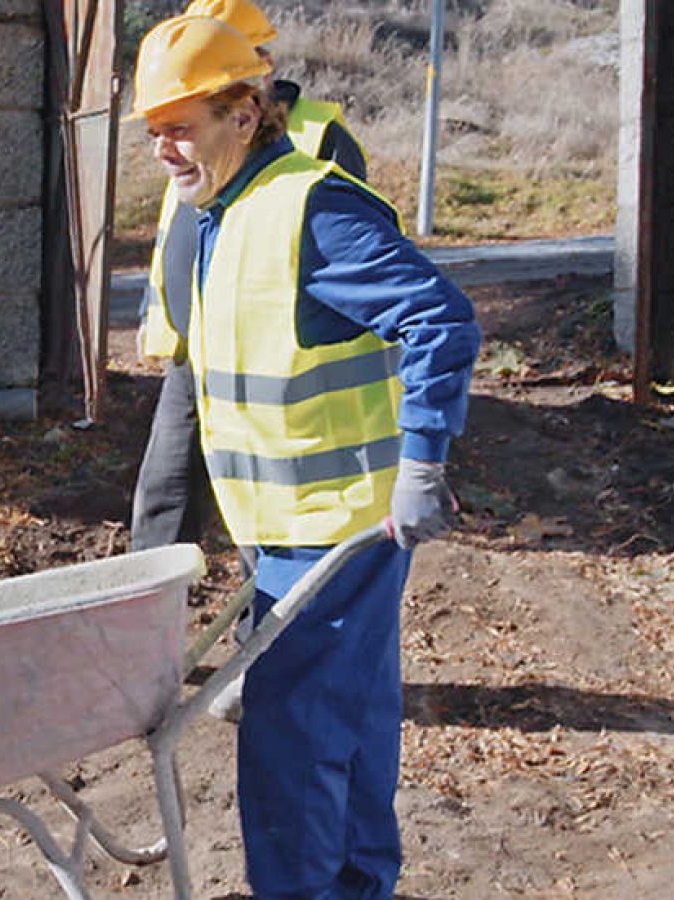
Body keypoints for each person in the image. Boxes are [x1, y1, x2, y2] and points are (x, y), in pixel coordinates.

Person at [131, 14, 481, 898]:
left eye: (180, 126)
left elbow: (440, 318)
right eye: (153, 131)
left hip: (335, 531)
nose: (164, 149)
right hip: (297, 529)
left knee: (289, 743)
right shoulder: (224, 206)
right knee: (352, 721)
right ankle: (362, 884)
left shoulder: (309, 209)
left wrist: (424, 465)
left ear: (243, 114)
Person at [131, 0, 369, 554]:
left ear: (259, 63)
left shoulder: (317, 138)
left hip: (269, 364)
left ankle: (261, 612)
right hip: (196, 353)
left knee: (262, 511)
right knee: (164, 494)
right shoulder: (191, 124)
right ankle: (144, 621)